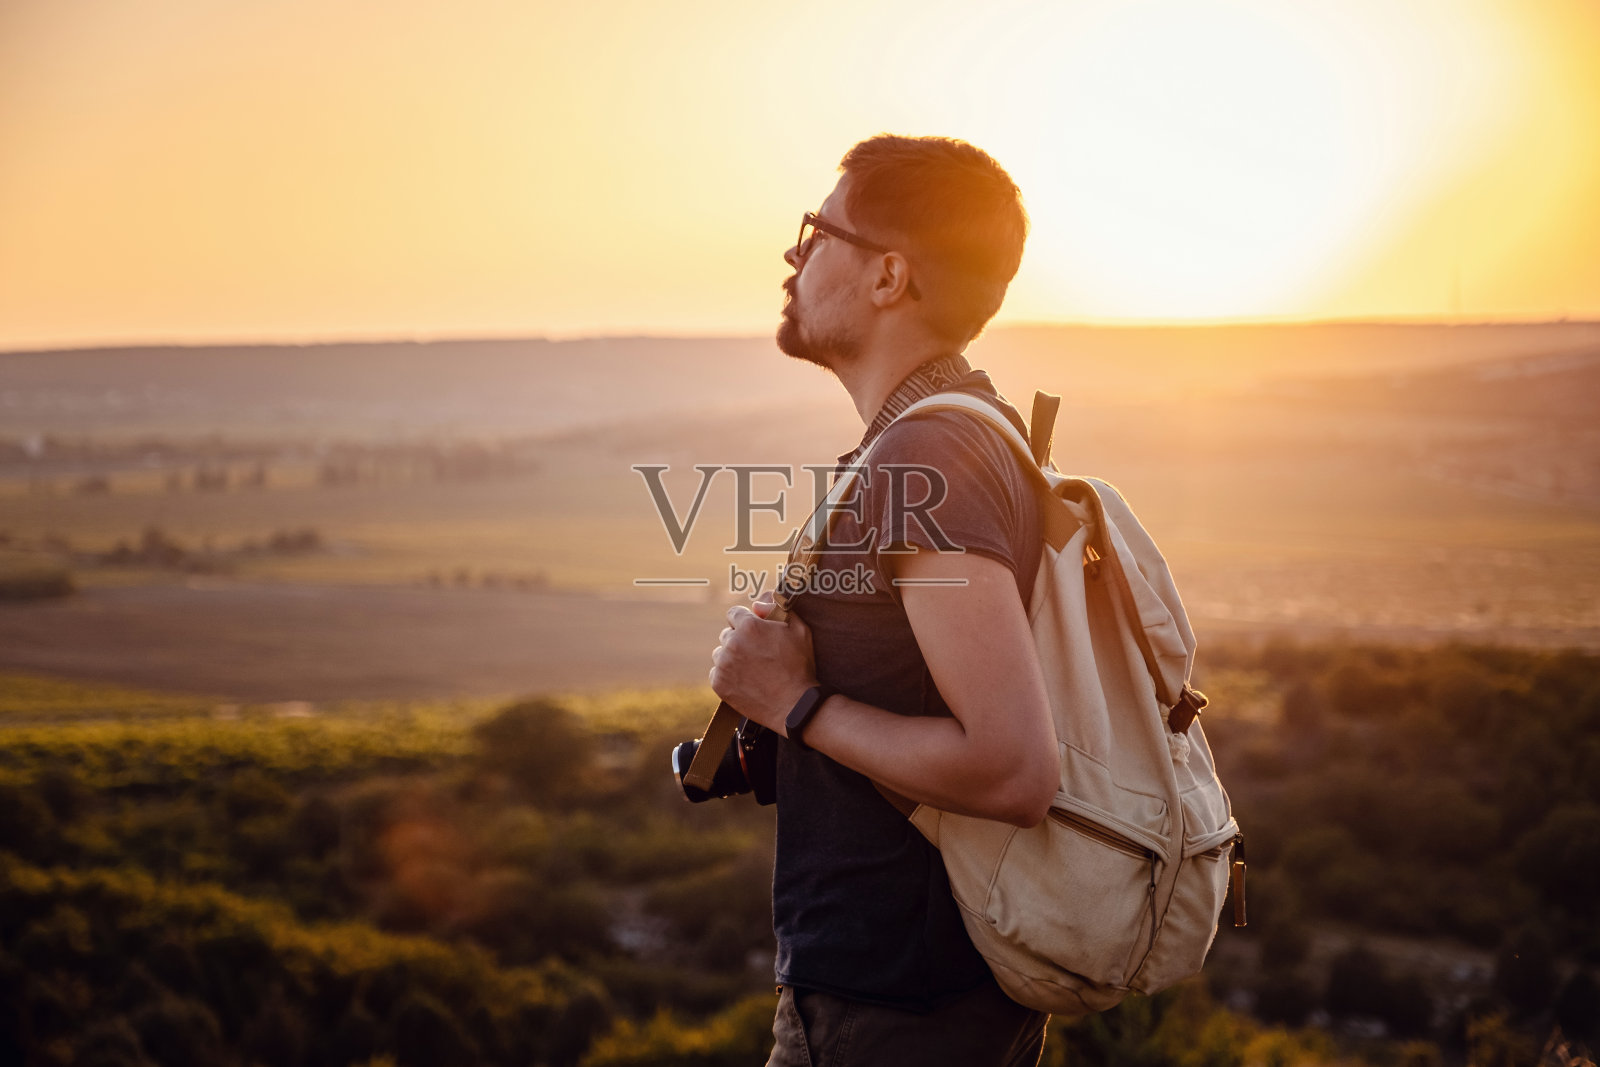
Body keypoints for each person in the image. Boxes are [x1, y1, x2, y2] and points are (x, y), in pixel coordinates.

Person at [708, 135, 1058, 1066]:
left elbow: (1013, 768)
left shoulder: (928, 455)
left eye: (817, 231)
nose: (794, 254)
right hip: (927, 998)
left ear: (888, 275)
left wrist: (797, 705)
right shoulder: (954, 432)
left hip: (893, 1010)